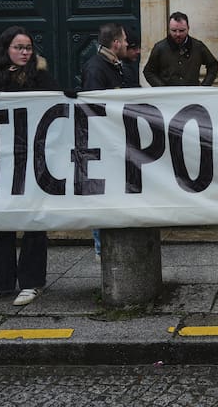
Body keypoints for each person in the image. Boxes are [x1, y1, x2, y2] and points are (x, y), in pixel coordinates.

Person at [0, 26, 59, 306]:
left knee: (34, 221)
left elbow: (54, 103)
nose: (25, 52)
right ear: (6, 49)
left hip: (34, 157)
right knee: (3, 222)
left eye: (28, 48)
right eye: (18, 47)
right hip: (6, 158)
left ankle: (32, 282)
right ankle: (2, 283)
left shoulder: (41, 76)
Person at [81, 22, 128, 258]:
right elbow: (95, 107)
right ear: (116, 43)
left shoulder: (114, 65)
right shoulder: (96, 68)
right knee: (103, 195)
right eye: (125, 40)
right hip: (102, 144)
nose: (128, 44)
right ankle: (102, 248)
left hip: (115, 141)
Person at [143, 11, 218, 87]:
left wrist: (205, 86)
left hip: (192, 94)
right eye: (174, 30)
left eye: (182, 31)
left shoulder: (198, 46)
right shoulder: (160, 47)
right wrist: (162, 88)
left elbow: (213, 65)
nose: (177, 34)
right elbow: (148, 71)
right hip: (168, 96)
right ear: (169, 29)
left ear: (188, 28)